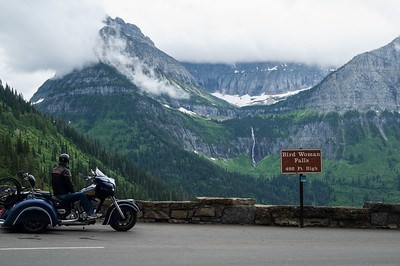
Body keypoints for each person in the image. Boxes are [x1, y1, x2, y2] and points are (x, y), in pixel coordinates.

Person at [51, 153, 96, 220]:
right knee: (81, 195)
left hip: (56, 194)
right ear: (67, 161)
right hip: (63, 195)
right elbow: (69, 185)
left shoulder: (55, 170)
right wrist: (74, 193)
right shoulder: (65, 171)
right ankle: (90, 213)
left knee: (79, 194)